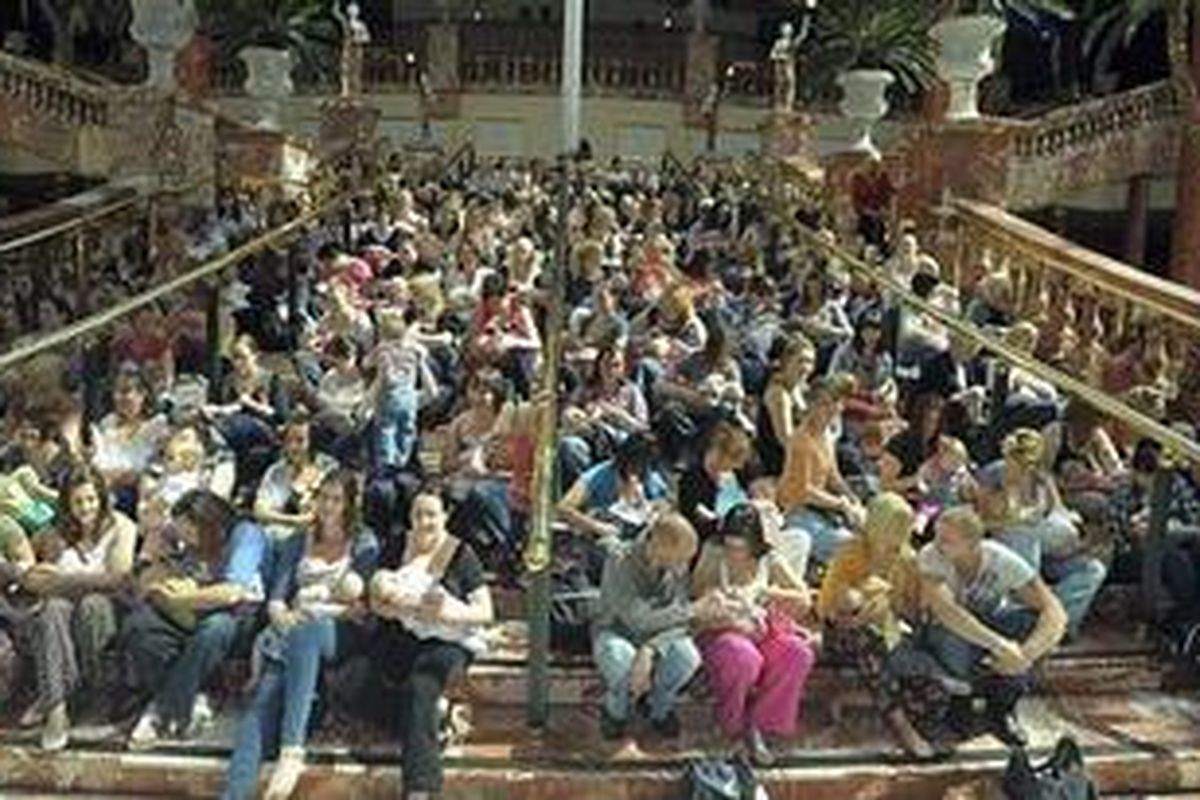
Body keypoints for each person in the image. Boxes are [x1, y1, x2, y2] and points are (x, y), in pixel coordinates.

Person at [224, 471, 379, 800]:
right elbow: (277, 599)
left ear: (350, 504)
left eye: (337, 499)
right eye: (323, 496)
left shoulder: (365, 542)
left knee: (307, 632)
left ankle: (291, 751)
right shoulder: (299, 539)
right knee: (260, 706)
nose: (327, 505)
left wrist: (312, 614)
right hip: (293, 632)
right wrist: (285, 617)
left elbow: (359, 608)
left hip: (340, 631)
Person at [368, 488, 494, 800]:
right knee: (352, 681)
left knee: (419, 689)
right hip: (401, 636)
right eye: (418, 514)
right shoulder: (397, 545)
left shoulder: (461, 554)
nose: (424, 522)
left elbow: (486, 612)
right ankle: (433, 720)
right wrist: (400, 606)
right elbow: (375, 600)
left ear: (444, 517)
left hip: (446, 641)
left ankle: (421, 788)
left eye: (431, 515)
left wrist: (448, 613)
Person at [819, 493, 967, 758]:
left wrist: (895, 605)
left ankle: (865, 701)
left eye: (904, 528)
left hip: (890, 639)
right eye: (894, 528)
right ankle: (902, 727)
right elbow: (827, 609)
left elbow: (911, 614)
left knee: (936, 695)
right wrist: (855, 612)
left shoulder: (908, 560)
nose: (900, 536)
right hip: (846, 637)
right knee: (866, 638)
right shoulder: (851, 552)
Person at [123, 490, 273, 749]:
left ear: (210, 524)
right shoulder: (180, 535)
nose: (186, 540)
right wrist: (149, 560)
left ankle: (163, 711)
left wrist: (180, 599)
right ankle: (195, 697)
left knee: (216, 628)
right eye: (182, 533)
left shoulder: (245, 534)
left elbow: (231, 593)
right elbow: (144, 576)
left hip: (238, 618)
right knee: (139, 626)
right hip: (192, 611)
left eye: (191, 533)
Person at [918, 506, 1068, 746]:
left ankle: (1002, 707)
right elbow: (947, 612)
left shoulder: (1000, 559)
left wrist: (1025, 655)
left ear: (973, 543)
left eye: (946, 540)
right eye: (937, 536)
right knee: (949, 634)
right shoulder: (930, 556)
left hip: (988, 622)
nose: (936, 544)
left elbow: (1054, 611)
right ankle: (960, 702)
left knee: (1030, 624)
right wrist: (999, 646)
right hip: (949, 630)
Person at [18, 466, 136, 751]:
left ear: (102, 499)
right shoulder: (54, 531)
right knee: (51, 610)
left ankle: (93, 697)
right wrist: (41, 576)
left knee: (91, 606)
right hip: (63, 608)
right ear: (67, 504)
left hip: (107, 608)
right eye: (78, 501)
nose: (86, 508)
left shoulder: (122, 526)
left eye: (91, 500)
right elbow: (30, 574)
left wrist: (61, 581)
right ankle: (56, 708)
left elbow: (118, 579)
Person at [692, 503, 816, 766]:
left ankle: (759, 724)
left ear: (755, 544)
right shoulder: (713, 554)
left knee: (797, 654)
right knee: (742, 657)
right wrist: (727, 608)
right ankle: (732, 726)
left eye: (740, 548)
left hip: (763, 630)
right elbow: (697, 605)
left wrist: (771, 593)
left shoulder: (769, 559)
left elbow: (804, 601)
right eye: (729, 546)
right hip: (723, 630)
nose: (733, 554)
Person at [976, 428, 1107, 637]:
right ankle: (1044, 616)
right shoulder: (993, 477)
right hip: (1005, 552)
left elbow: (1058, 512)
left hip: (1044, 550)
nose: (1022, 467)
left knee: (1093, 569)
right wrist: (1011, 504)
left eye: (1028, 462)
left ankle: (1054, 621)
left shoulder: (1042, 480)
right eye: (1016, 458)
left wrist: (1078, 539)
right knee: (1021, 532)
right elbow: (979, 524)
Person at [591, 513, 705, 741]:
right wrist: (693, 610)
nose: (684, 566)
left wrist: (650, 649)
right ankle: (616, 711)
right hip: (617, 632)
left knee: (688, 657)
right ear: (660, 547)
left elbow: (680, 623)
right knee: (620, 658)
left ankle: (658, 708)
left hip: (657, 636)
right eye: (681, 558)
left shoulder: (676, 567)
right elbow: (637, 619)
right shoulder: (619, 560)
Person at [777, 377, 865, 566]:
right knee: (850, 547)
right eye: (824, 404)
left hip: (822, 508)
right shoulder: (800, 440)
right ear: (811, 405)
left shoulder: (826, 434)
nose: (831, 408)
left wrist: (851, 498)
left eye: (835, 402)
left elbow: (833, 476)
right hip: (798, 512)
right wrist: (840, 504)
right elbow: (803, 491)